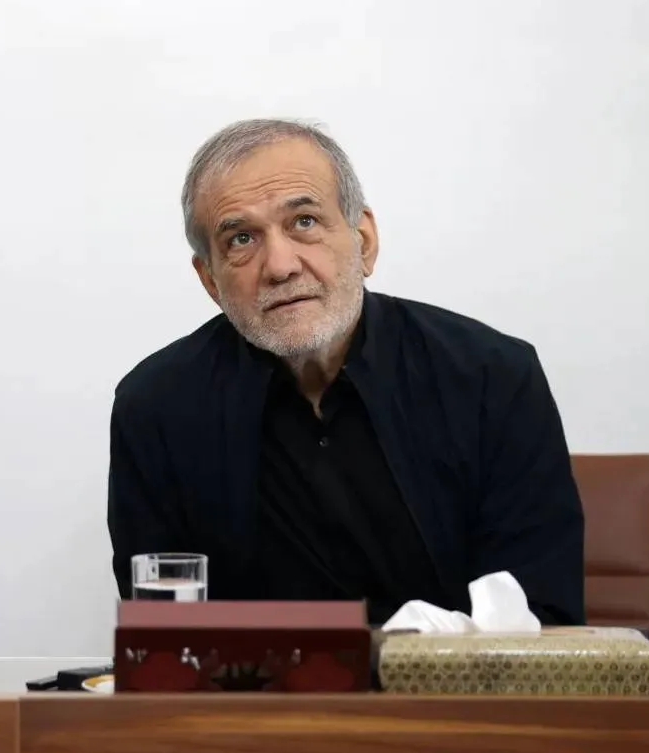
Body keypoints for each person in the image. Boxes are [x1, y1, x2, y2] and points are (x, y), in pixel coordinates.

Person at [107, 120, 584, 624]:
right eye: (242, 238)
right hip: (251, 679)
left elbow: (540, 617)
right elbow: (161, 631)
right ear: (210, 280)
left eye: (304, 222)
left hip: (449, 677)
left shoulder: (493, 379)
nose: (280, 266)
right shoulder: (158, 409)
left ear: (364, 240)